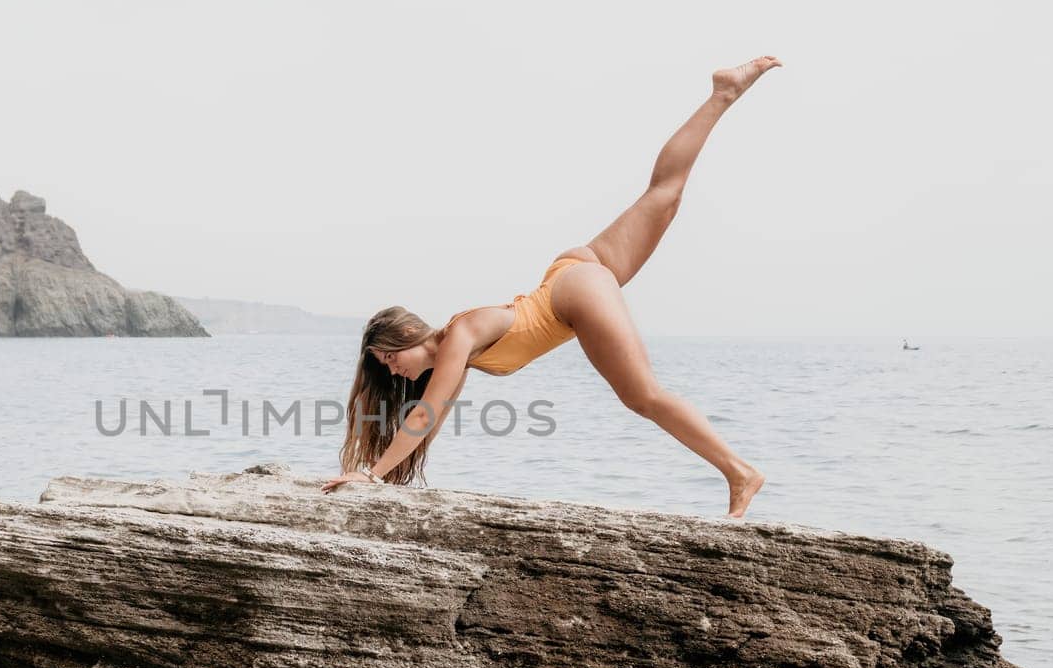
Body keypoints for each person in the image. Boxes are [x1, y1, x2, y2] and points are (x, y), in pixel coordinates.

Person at [321, 56, 780, 518]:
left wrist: (373, 475)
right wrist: (381, 475)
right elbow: (430, 419)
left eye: (390, 359)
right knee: (664, 192)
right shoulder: (453, 358)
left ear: (406, 336)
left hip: (573, 293)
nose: (394, 372)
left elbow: (423, 416)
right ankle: (722, 93)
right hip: (575, 273)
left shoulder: (457, 338)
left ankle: (740, 473)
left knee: (644, 396)